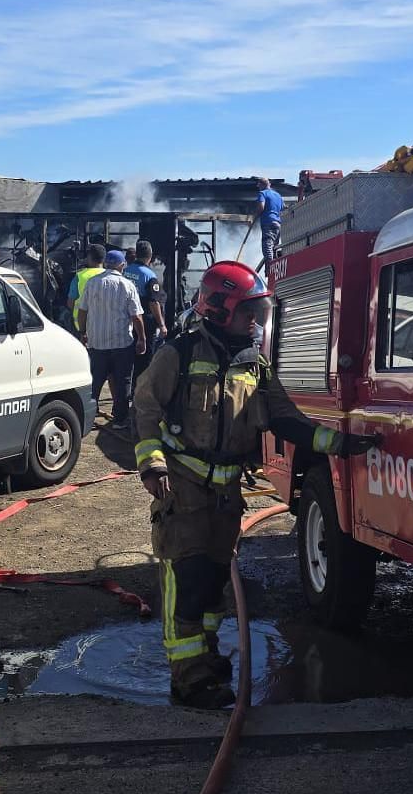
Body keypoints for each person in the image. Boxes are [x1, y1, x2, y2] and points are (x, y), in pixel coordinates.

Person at [133, 260, 374, 709]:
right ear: (221, 310)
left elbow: (285, 418)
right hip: (182, 490)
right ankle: (188, 679)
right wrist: (153, 464)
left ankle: (204, 657)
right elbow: (145, 408)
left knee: (211, 585)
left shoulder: (255, 364)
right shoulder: (179, 355)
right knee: (187, 579)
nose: (257, 323)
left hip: (225, 495)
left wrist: (339, 443)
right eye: (250, 314)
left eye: (260, 314)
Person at [78, 249, 146, 430]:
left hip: (97, 343)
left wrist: (82, 331)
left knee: (95, 381)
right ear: (122, 265)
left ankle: (87, 417)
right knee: (123, 381)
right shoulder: (127, 285)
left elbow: (83, 310)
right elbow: (137, 317)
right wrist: (142, 339)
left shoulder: (92, 283)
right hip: (121, 343)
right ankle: (120, 419)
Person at [123, 239, 167, 377]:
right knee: (146, 360)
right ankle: (141, 389)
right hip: (145, 323)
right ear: (150, 256)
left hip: (126, 320)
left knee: (129, 358)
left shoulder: (125, 271)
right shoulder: (149, 276)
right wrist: (162, 325)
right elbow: (154, 303)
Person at [67, 245, 106, 330]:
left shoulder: (80, 276)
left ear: (89, 257)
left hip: (82, 327)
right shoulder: (110, 276)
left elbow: (70, 303)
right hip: (105, 326)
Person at [254, 177, 284, 262]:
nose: (258, 187)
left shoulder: (262, 194)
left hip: (268, 223)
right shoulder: (278, 195)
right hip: (278, 224)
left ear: (261, 185)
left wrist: (254, 217)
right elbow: (282, 208)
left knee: (267, 246)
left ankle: (269, 266)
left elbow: (261, 207)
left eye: (259, 185)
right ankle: (275, 266)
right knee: (274, 247)